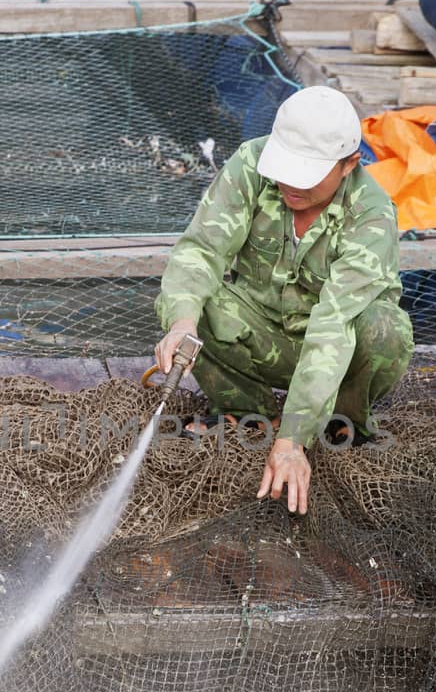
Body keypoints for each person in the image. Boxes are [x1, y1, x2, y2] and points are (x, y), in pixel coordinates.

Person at [153, 85, 412, 515]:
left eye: (306, 173)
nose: (290, 182)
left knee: (385, 330)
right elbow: (201, 251)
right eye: (286, 166)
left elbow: (333, 327)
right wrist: (182, 323)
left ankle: (337, 426)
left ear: (350, 164)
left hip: (336, 352)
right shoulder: (250, 165)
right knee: (192, 302)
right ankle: (249, 413)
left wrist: (293, 441)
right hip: (262, 329)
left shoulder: (372, 214)